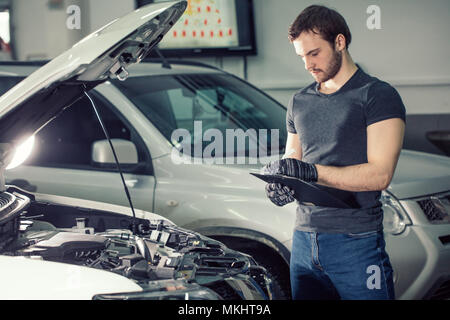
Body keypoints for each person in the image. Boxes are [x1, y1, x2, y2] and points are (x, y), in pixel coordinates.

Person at [263, 5, 406, 300]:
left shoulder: (377, 95)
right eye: (302, 56)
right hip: (303, 239)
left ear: (339, 42)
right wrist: (280, 181)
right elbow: (293, 159)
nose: (307, 65)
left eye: (314, 53)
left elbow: (380, 174)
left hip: (357, 241)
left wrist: (311, 172)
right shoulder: (299, 101)